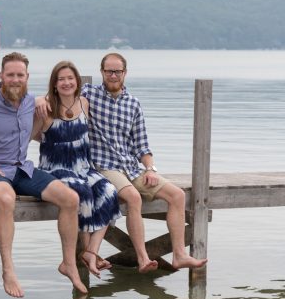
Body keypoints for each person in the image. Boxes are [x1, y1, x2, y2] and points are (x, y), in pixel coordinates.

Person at [37, 53, 208, 272]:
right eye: (108, 71)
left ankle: (179, 255)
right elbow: (60, 91)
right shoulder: (89, 94)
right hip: (104, 166)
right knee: (133, 198)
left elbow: (142, 146)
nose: (113, 75)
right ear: (102, 73)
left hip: (132, 167)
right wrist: (41, 100)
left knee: (178, 195)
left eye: (117, 71)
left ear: (125, 73)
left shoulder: (133, 104)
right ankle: (143, 258)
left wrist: (150, 168)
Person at [0, 52, 87, 299]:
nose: (15, 80)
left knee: (71, 198)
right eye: (10, 75)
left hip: (23, 169)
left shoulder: (31, 102)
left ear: (27, 77)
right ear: (1, 75)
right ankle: (9, 270)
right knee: (6, 198)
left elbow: (62, 99)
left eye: (20, 75)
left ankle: (69, 263)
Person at [32, 60, 121, 279]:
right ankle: (81, 253)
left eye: (70, 78)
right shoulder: (46, 107)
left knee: (109, 191)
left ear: (77, 81)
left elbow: (108, 87)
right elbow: (31, 135)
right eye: (61, 79)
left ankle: (91, 252)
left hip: (83, 166)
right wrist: (37, 101)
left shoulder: (84, 103)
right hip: (56, 167)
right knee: (82, 193)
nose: (66, 83)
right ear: (54, 84)